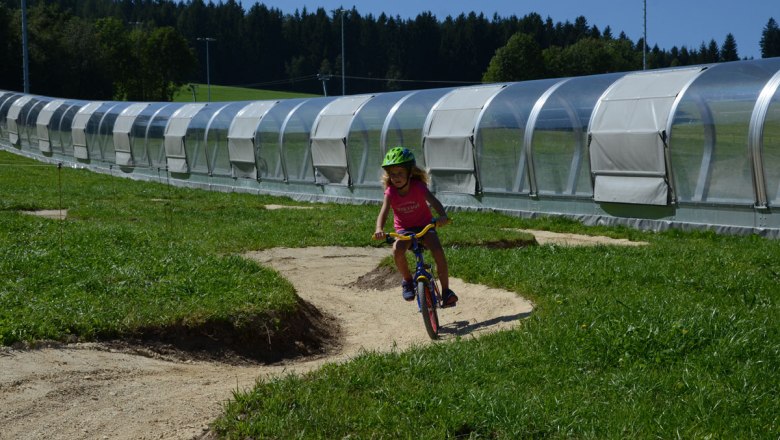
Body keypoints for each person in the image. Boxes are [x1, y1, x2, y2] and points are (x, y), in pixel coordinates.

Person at [374, 146, 458, 307]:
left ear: (410, 173)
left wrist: (442, 216)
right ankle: (407, 280)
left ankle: (446, 291)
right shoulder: (391, 192)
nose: (396, 177)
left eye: (400, 173)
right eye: (392, 174)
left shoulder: (418, 187)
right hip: (404, 230)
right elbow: (383, 212)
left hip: (425, 226)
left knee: (438, 251)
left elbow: (434, 202)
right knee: (397, 250)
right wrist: (379, 229)